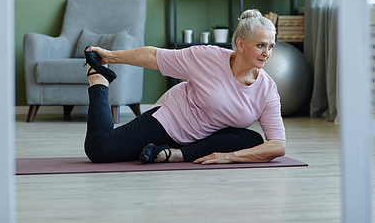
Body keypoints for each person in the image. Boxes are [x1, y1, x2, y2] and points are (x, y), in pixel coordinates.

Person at [83, 9, 286, 165]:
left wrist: (229, 157)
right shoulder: (208, 57)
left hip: (203, 139)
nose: (267, 53)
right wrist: (109, 57)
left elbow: (278, 145)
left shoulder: (267, 89)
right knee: (99, 149)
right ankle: (99, 79)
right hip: (170, 121)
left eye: (271, 46)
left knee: (252, 139)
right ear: (240, 44)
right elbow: (155, 57)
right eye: (261, 45)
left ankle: (175, 155)